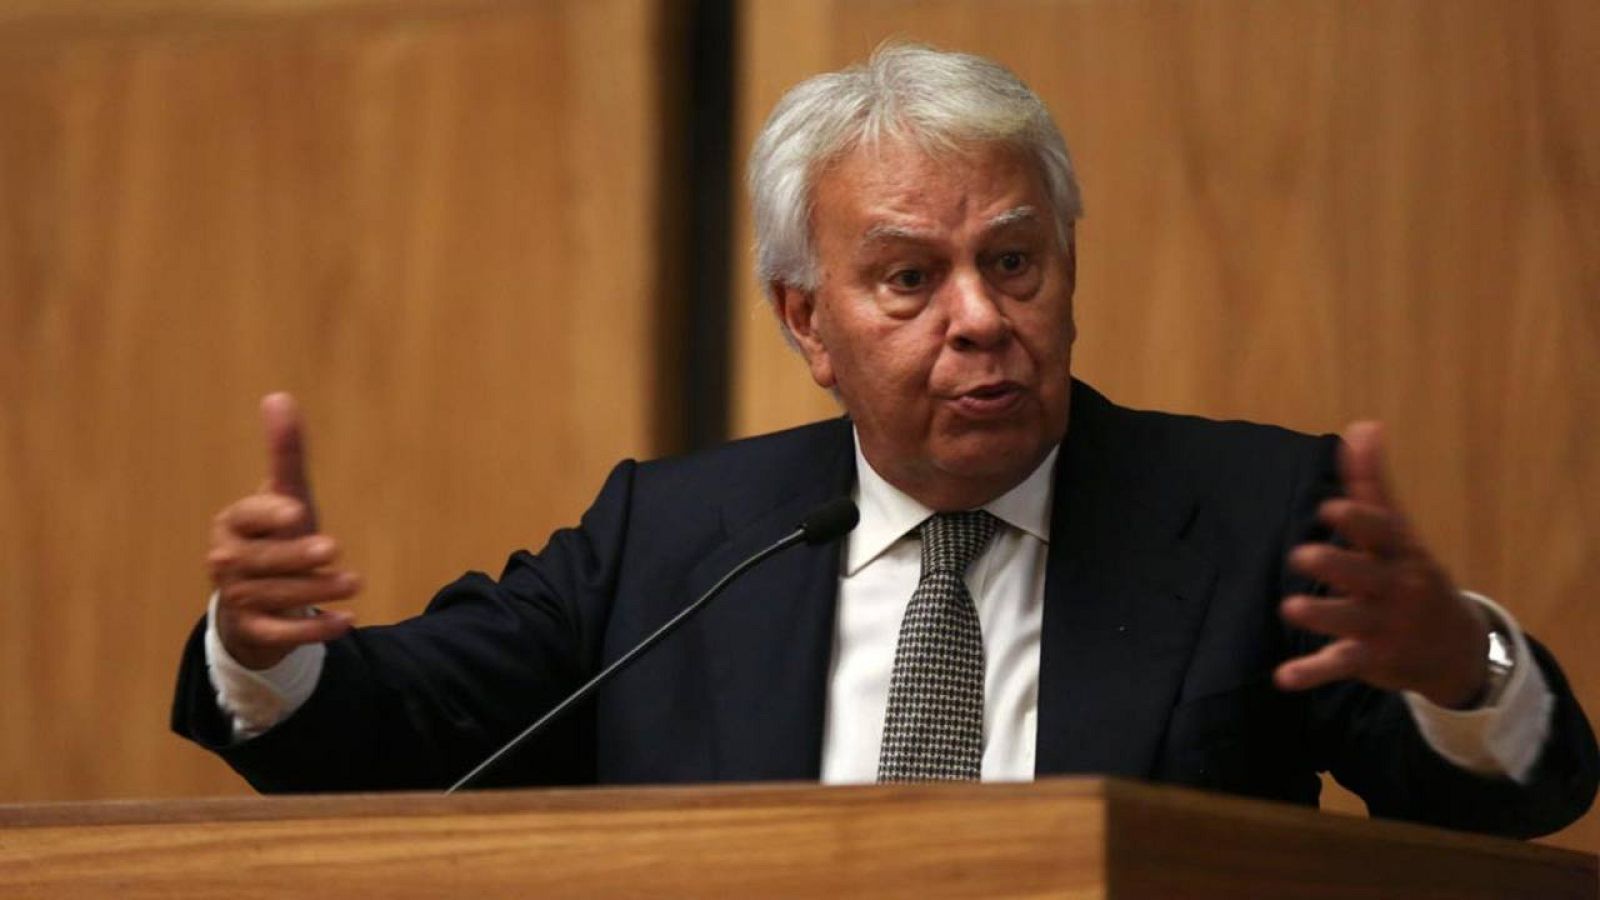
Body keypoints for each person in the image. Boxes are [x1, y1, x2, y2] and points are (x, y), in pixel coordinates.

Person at [172, 43, 1597, 837]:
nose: (980, 320)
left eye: (1017, 264)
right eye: (911, 279)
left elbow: (1513, 804)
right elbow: (404, 733)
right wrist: (269, 650)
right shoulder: (671, 541)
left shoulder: (1247, 512)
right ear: (808, 321)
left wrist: (1459, 667)